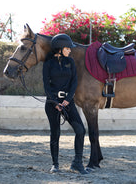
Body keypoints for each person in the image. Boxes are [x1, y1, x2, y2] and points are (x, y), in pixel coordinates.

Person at [43, 34, 88, 174]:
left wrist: (68, 99)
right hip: (52, 103)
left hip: (68, 102)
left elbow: (74, 82)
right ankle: (55, 164)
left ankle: (77, 163)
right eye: (68, 48)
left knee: (80, 130)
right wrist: (55, 102)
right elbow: (46, 85)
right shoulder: (48, 63)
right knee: (55, 133)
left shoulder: (70, 62)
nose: (70, 50)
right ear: (60, 48)